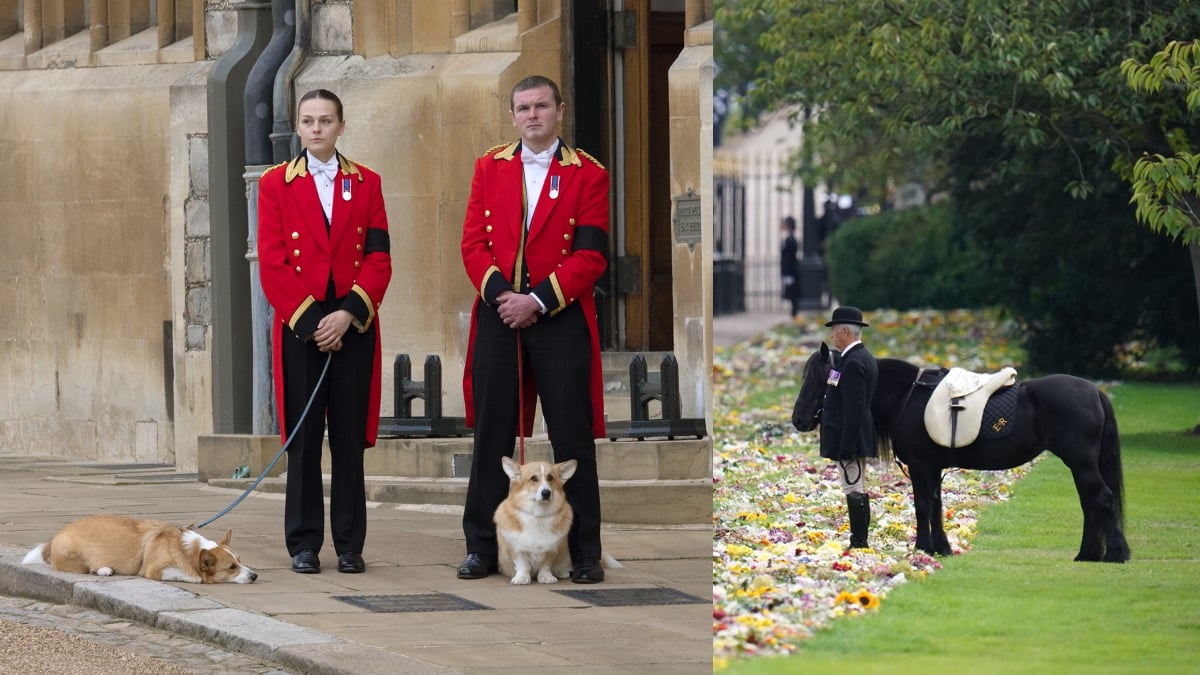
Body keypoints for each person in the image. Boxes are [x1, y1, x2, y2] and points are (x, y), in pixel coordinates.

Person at [458, 75, 609, 583]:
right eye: (523, 107)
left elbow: (592, 254)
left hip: (559, 315)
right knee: (492, 434)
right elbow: (472, 244)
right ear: (513, 114)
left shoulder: (588, 173)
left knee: (571, 439)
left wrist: (538, 300)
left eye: (541, 106)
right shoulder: (488, 166)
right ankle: (480, 546)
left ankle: (584, 553)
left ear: (559, 111)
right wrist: (505, 296)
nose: (532, 115)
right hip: (499, 312)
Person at [257, 89, 392, 575]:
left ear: (341, 125)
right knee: (304, 438)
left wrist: (349, 313)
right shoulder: (275, 184)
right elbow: (272, 264)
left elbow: (379, 256)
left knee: (349, 439)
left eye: (326, 120)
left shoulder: (368, 183)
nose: (317, 128)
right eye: (308, 121)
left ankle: (351, 544)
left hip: (353, 323)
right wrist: (316, 324)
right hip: (302, 327)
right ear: (297, 127)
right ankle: (304, 543)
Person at [820, 306, 878, 549]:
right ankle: (860, 539)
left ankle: (859, 541)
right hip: (850, 437)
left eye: (834, 331)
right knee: (856, 486)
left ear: (845, 331)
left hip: (850, 439)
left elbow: (854, 409)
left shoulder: (853, 362)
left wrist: (847, 445)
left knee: (853, 487)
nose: (832, 336)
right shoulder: (854, 358)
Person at [780, 216, 800, 317]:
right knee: (792, 295)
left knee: (793, 295)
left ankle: (794, 314)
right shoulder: (788, 238)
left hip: (790, 271)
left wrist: (786, 272)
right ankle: (794, 313)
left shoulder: (790, 239)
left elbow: (788, 258)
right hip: (789, 270)